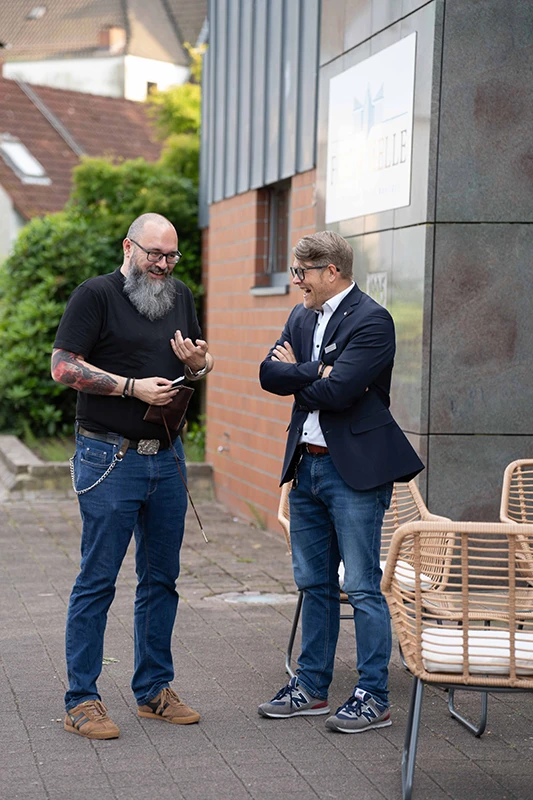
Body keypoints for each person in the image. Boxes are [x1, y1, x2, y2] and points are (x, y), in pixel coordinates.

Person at [51, 212, 213, 740]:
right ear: (128, 247)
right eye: (154, 255)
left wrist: (200, 365)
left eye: (171, 256)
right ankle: (81, 700)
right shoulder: (95, 295)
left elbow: (194, 363)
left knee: (162, 579)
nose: (163, 265)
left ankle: (153, 690)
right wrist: (129, 387)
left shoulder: (180, 296)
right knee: (98, 580)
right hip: (109, 457)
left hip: (166, 456)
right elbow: (62, 366)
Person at [258, 231, 423, 733]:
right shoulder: (301, 316)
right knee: (314, 583)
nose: (296, 281)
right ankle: (311, 688)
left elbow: (340, 392)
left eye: (302, 272)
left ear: (331, 271)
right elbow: (268, 374)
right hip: (305, 467)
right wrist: (317, 370)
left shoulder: (372, 320)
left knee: (362, 586)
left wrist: (301, 375)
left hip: (352, 472)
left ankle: (374, 696)